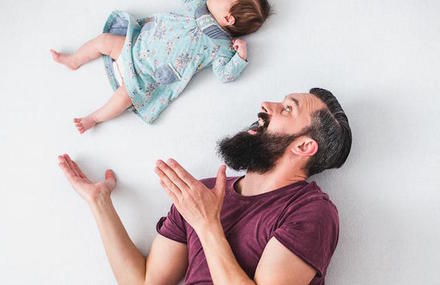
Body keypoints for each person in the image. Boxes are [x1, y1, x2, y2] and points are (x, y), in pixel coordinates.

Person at [58, 88, 352, 285]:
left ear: (303, 146)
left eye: (287, 109)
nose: (266, 105)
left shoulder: (311, 212)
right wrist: (100, 202)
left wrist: (207, 224)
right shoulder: (201, 195)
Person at [50, 0, 271, 133]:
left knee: (126, 97)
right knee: (104, 40)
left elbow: (224, 74)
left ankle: (94, 118)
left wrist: (240, 57)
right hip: (134, 46)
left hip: (147, 76)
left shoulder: (221, 45)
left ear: (229, 18)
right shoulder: (197, 5)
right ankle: (74, 60)